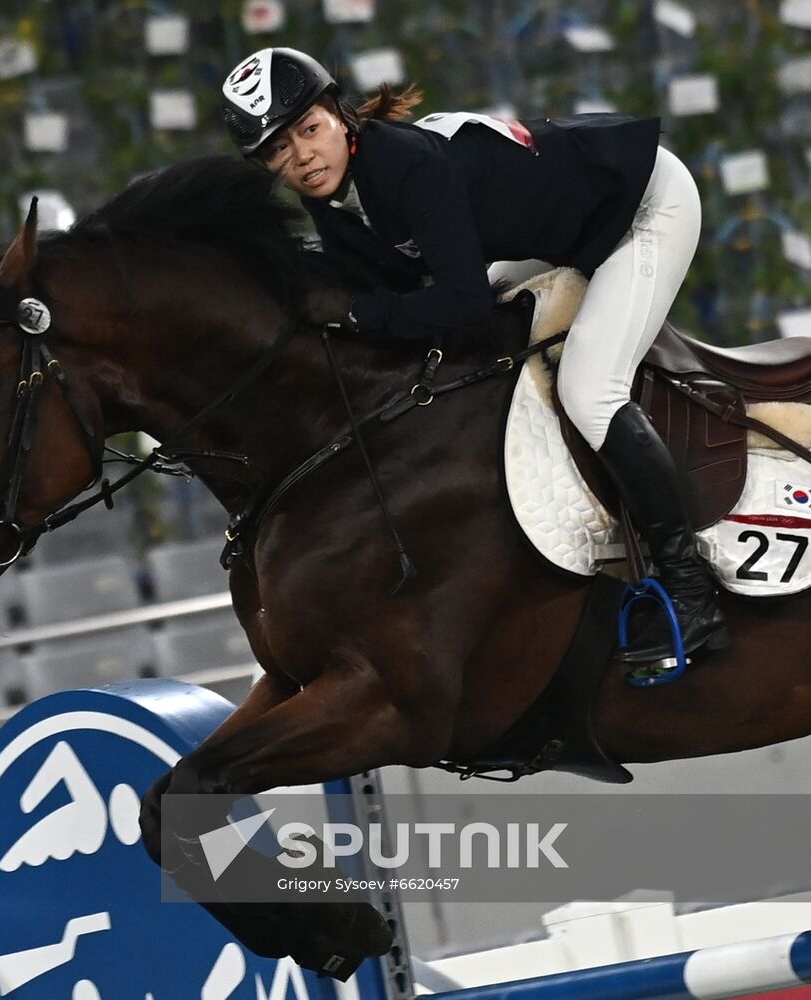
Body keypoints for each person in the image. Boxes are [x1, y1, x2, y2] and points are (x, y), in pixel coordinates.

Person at [219, 46, 729, 665]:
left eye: (308, 129)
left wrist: (358, 313)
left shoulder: (403, 166)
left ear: (340, 115)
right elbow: (388, 279)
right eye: (277, 149)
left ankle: (690, 587)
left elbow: (458, 305)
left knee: (588, 389)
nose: (300, 156)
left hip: (641, 204)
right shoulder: (335, 189)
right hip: (563, 229)